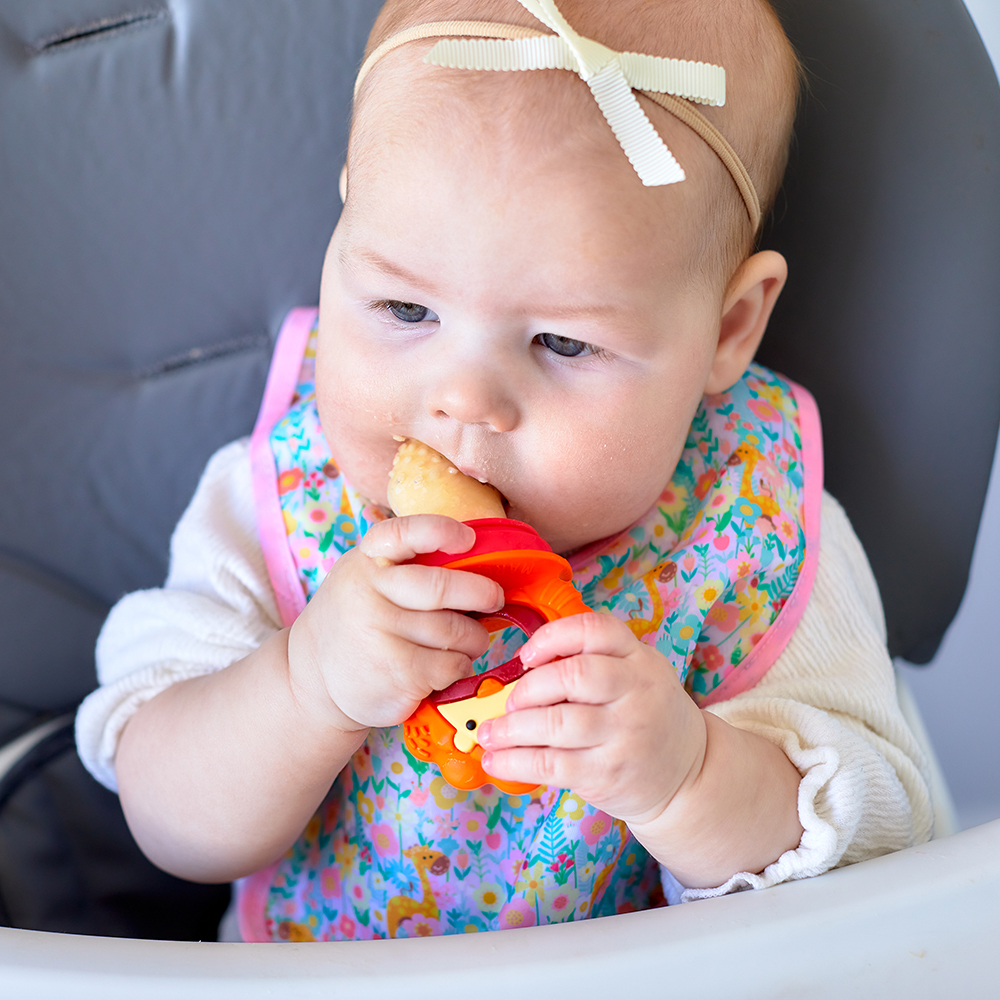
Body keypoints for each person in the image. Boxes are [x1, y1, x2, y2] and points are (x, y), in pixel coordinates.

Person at [75, 0, 932, 942]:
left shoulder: (753, 528)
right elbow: (168, 820)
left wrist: (690, 779)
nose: (464, 400)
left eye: (564, 342)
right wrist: (304, 685)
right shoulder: (286, 497)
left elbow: (886, 849)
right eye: (405, 310)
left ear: (728, 329)